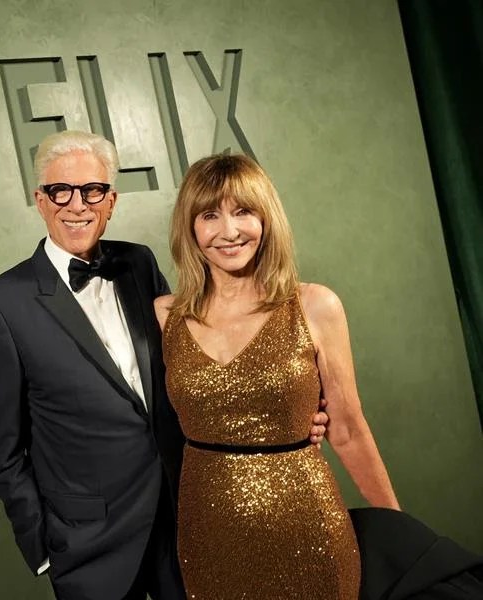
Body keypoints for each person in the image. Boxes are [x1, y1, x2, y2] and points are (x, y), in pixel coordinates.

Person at [0, 131, 328, 600]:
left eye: (93, 190)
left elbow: (191, 370)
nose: (77, 205)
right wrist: (42, 545)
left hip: (186, 517)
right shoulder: (2, 304)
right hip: (89, 544)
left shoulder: (138, 264)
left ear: (111, 200)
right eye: (61, 191)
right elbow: (5, 449)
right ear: (41, 200)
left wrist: (285, 415)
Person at [154, 153, 483, 600]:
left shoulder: (314, 305)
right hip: (207, 532)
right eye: (209, 215)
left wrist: (404, 537)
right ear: (190, 228)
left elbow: (347, 428)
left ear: (266, 219)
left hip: (308, 527)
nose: (228, 232)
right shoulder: (165, 314)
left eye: (244, 212)